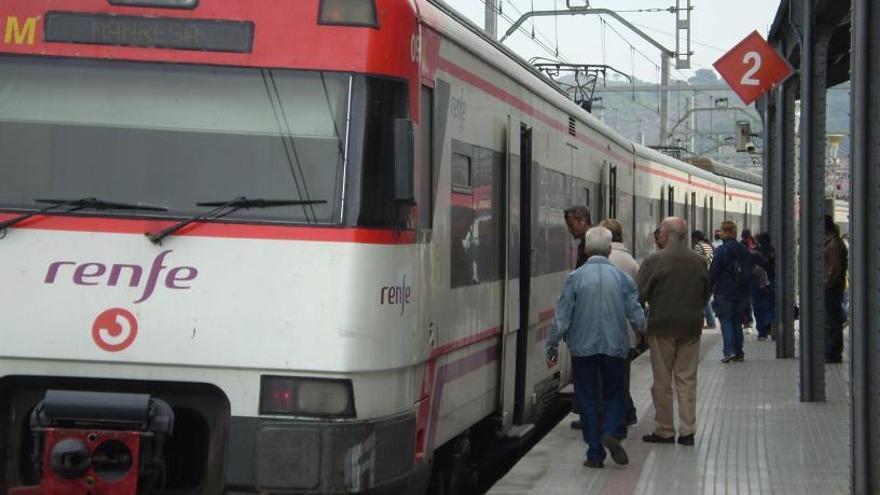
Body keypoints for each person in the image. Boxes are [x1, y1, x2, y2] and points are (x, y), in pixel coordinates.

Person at [546, 226, 646, 468]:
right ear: (610, 249)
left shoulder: (574, 278)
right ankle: (611, 431)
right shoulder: (622, 279)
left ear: (587, 250)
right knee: (614, 393)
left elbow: (561, 317)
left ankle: (594, 454)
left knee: (588, 397)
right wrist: (644, 332)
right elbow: (636, 314)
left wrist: (551, 346)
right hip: (615, 347)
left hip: (583, 348)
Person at [636, 217, 711, 446]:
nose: (657, 236)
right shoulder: (699, 260)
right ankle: (687, 431)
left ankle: (665, 430)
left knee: (662, 380)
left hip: (662, 328)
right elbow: (706, 292)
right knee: (687, 379)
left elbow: (639, 295)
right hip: (691, 327)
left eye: (659, 232)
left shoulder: (654, 260)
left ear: (667, 235)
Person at [600, 218, 640, 427]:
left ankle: (618, 421)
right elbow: (637, 300)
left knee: (609, 381)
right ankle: (627, 415)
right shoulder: (631, 261)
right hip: (626, 332)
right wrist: (641, 328)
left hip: (605, 330)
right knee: (620, 378)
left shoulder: (604, 261)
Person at [710, 221, 754, 363]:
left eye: (721, 231)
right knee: (736, 322)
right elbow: (750, 270)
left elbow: (713, 271)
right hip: (742, 292)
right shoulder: (743, 249)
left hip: (724, 292)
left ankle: (729, 352)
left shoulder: (721, 251)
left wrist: (708, 287)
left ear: (727, 232)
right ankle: (739, 352)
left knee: (726, 321)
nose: (720, 234)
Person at [825, 215, 848, 363]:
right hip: (834, 286)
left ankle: (833, 353)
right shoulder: (833, 242)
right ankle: (832, 351)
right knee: (832, 320)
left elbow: (835, 268)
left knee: (832, 321)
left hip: (832, 287)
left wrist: (827, 282)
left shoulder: (833, 244)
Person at [752, 233, 776, 341]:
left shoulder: (755, 251)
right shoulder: (773, 251)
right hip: (770, 281)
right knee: (770, 304)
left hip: (756, 282)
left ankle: (762, 332)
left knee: (757, 306)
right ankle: (769, 322)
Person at [691, 230, 716, 329]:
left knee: (704, 300)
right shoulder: (708, 245)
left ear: (695, 238)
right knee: (705, 299)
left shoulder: (698, 246)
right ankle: (709, 321)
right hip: (708, 274)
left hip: (701, 274)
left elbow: (696, 261)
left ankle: (710, 322)